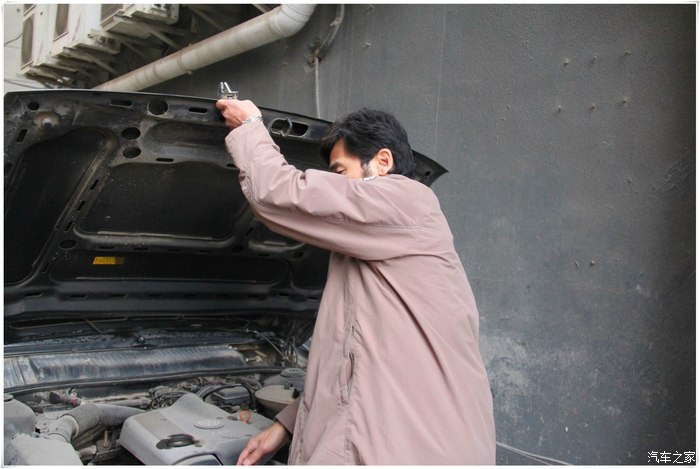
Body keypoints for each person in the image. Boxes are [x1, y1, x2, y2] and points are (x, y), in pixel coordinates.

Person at [216, 98, 496, 465]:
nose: (335, 186)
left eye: (340, 171)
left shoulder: (405, 201)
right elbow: (354, 363)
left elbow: (281, 195)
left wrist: (251, 126)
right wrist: (287, 426)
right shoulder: (379, 241)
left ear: (382, 162)